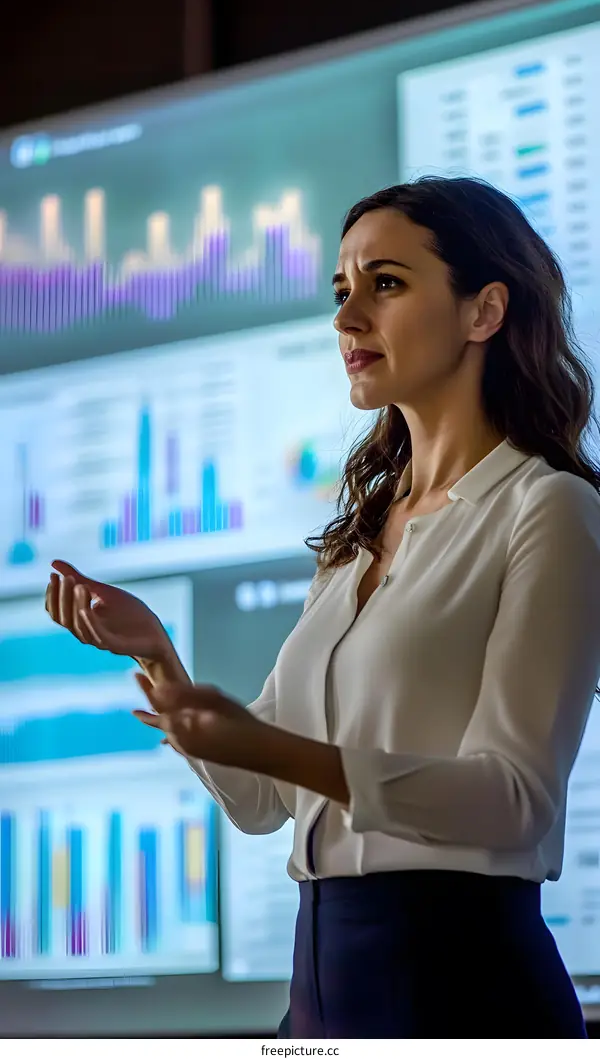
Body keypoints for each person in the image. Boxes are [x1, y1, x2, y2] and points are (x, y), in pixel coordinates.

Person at [45, 177, 600, 1039]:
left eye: (386, 283)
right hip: (319, 996)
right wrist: (157, 656)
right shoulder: (357, 538)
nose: (346, 320)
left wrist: (271, 744)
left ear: (484, 310)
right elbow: (265, 799)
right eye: (341, 292)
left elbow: (517, 799)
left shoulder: (549, 508)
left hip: (462, 989)